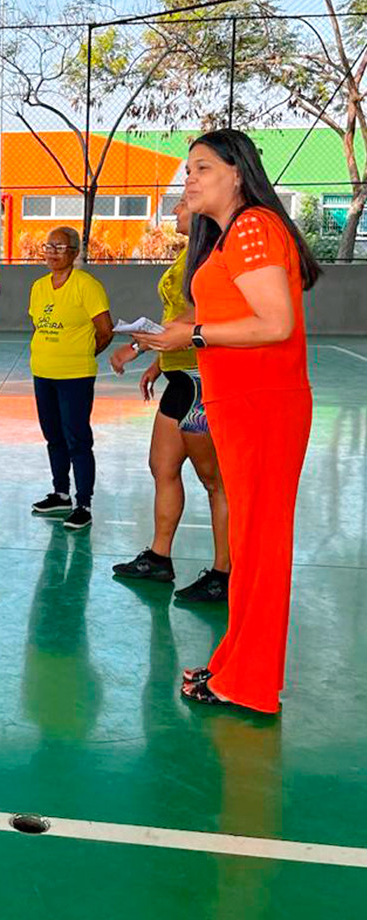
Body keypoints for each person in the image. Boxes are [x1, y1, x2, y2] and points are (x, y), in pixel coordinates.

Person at [134, 129, 320, 714]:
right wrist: (172, 335)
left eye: (201, 168)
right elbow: (226, 313)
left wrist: (189, 334)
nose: (188, 179)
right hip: (238, 405)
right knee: (247, 542)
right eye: (188, 169)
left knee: (261, 548)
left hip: (265, 406)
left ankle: (253, 685)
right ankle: (235, 662)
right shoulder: (229, 236)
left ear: (237, 173)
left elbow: (275, 323)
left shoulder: (256, 229)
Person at [111, 198, 230, 603]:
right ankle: (159, 558)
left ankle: (224, 573)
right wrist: (160, 364)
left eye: (183, 204)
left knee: (215, 482)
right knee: (162, 467)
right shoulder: (188, 256)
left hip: (203, 380)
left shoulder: (211, 259)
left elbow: (192, 316)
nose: (177, 208)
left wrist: (138, 346)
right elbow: (176, 317)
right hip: (179, 378)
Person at [27, 226, 114, 531]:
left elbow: (105, 330)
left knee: (77, 438)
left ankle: (84, 502)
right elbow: (39, 325)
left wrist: (82, 356)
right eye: (48, 246)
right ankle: (60, 493)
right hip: (43, 372)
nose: (52, 252)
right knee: (53, 436)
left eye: (60, 247)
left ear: (75, 253)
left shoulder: (86, 285)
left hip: (75, 375)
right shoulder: (38, 287)